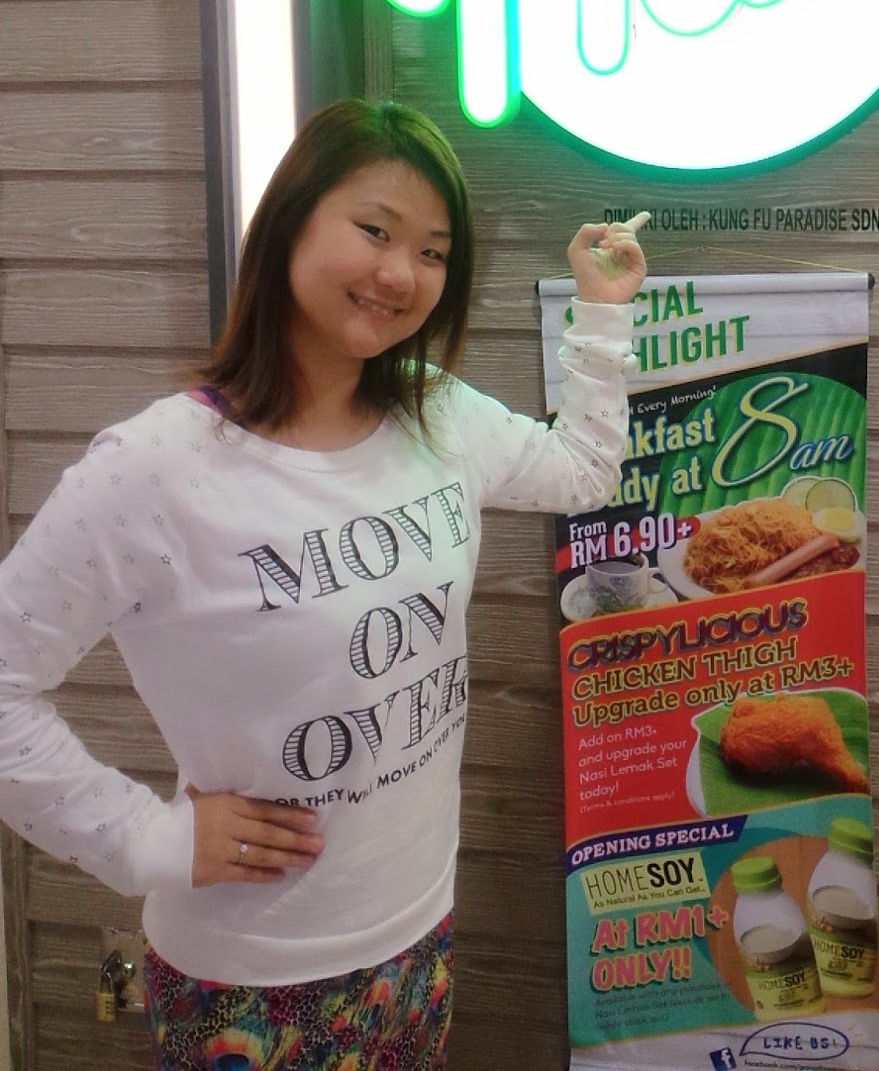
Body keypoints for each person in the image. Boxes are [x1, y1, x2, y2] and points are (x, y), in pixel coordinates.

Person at [0, 99, 649, 1070]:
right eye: (375, 230)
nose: (401, 273)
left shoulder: (437, 414)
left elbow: (582, 471)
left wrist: (602, 311)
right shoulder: (158, 467)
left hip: (417, 931)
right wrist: (142, 841)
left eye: (432, 252)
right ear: (291, 222)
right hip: (248, 979)